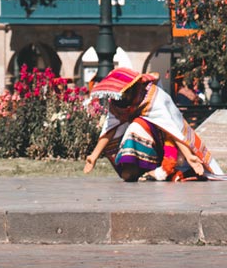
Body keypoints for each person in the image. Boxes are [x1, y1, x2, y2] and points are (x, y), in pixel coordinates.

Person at [83, 67, 224, 182]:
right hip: (140, 142)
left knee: (137, 126)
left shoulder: (154, 97)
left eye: (124, 94)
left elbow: (173, 130)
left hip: (167, 143)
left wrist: (189, 156)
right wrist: (93, 156)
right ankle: (141, 169)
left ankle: (161, 170)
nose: (121, 98)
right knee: (127, 175)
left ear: (132, 88)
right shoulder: (117, 103)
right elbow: (109, 129)